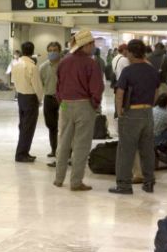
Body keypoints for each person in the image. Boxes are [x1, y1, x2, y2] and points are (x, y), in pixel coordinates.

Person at [54, 30, 105, 191]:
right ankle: (76, 182)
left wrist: (62, 101)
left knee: (63, 143)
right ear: (86, 45)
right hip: (84, 105)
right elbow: (97, 87)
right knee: (81, 145)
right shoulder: (91, 63)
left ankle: (58, 178)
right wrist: (95, 104)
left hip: (65, 105)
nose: (94, 47)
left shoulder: (64, 61)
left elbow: (58, 85)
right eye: (93, 44)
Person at [110, 39, 159, 195]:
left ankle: (124, 185)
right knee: (147, 150)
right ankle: (149, 183)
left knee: (126, 150)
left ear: (130, 53)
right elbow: (156, 92)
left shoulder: (128, 71)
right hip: (148, 113)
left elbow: (120, 94)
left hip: (131, 113)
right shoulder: (152, 70)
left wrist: (120, 112)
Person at [11, 41, 44, 163]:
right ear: (32, 51)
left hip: (21, 96)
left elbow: (13, 80)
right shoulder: (32, 66)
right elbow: (37, 85)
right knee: (28, 127)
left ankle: (23, 151)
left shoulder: (16, 64)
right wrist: (40, 99)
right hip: (30, 98)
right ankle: (21, 154)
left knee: (23, 126)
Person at [40, 41, 62, 165]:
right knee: (51, 126)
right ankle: (54, 149)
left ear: (59, 51)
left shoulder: (64, 65)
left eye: (55, 50)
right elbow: (40, 84)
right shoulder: (43, 67)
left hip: (62, 100)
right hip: (48, 99)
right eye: (50, 50)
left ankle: (65, 151)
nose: (52, 52)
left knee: (64, 126)